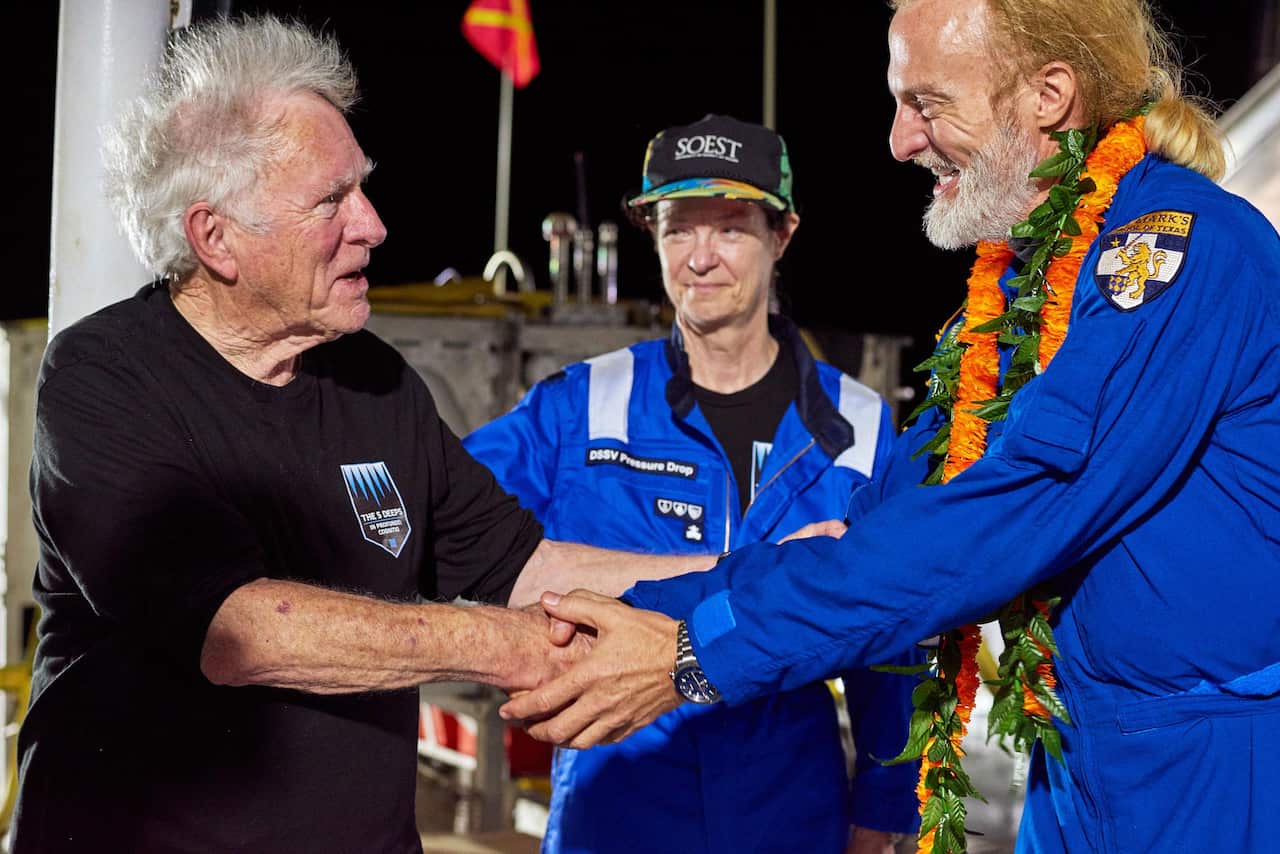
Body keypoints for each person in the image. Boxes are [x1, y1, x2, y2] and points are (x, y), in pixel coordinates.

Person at [500, 1, 1280, 852]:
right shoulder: (1012, 305)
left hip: (1211, 763)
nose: (900, 140)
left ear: (1049, 94)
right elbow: (880, 533)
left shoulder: (1179, 254)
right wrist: (639, 615)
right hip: (1080, 760)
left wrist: (688, 655)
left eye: (929, 103)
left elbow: (1001, 518)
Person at [12, 16, 712, 852]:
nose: (374, 225)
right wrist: (501, 646)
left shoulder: (375, 379)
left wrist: (746, 573)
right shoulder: (105, 378)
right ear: (216, 237)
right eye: (330, 200)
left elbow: (525, 566)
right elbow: (241, 632)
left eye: (363, 188)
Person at [464, 114, 918, 853]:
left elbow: (891, 640)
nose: (701, 258)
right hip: (615, 802)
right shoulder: (581, 405)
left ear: (783, 235)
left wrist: (883, 809)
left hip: (790, 810)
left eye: (731, 228)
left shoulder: (859, 426)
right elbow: (444, 523)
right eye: (678, 228)